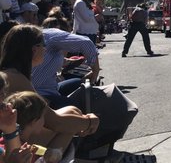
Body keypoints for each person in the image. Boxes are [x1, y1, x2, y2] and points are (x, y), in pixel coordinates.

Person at [0, 25, 99, 155]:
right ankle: (49, 158)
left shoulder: (10, 73)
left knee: (72, 113)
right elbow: (55, 122)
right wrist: (91, 121)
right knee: (71, 119)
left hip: (11, 137)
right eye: (44, 44)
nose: (46, 48)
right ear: (34, 50)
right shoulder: (17, 79)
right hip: (10, 143)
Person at [32, 14, 100, 109]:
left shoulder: (41, 39)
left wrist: (68, 61)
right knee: (78, 107)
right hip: (40, 93)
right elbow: (86, 43)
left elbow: (46, 62)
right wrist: (95, 71)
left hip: (47, 87)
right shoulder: (53, 34)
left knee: (78, 82)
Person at [4, 91, 67, 163]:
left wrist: (46, 152)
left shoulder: (5, 139)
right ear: (34, 121)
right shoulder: (25, 154)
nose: (44, 121)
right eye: (43, 116)